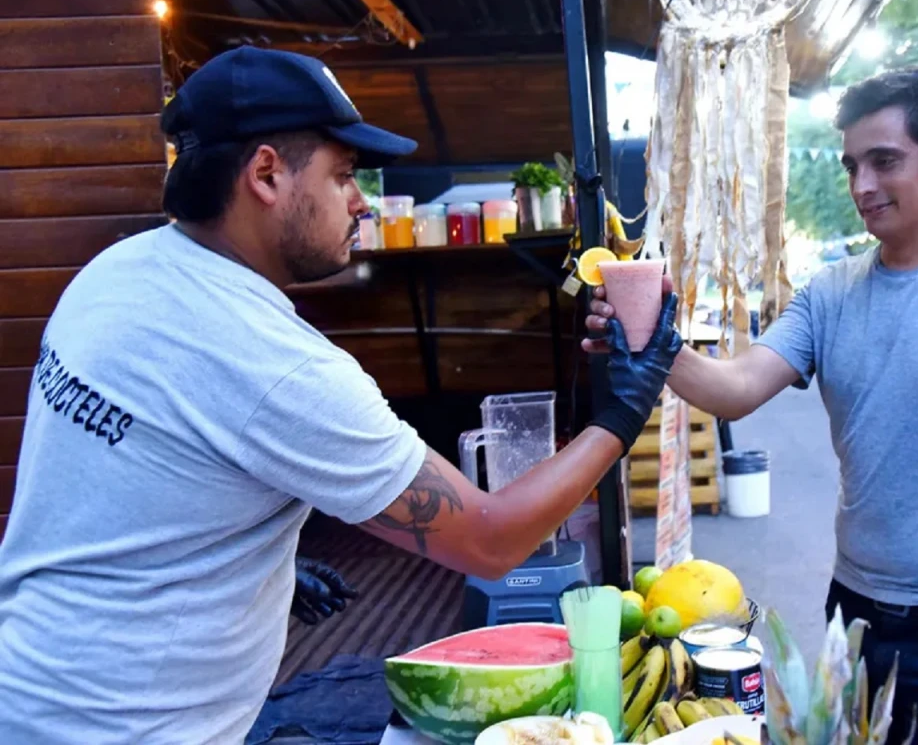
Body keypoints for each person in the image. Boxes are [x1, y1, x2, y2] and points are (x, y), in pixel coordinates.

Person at [0, 46, 683, 743]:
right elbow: (489, 538)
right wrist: (622, 412)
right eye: (344, 175)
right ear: (266, 174)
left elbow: (124, 477)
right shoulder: (273, 362)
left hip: (27, 695)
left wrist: (256, 559)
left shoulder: (113, 274)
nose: (361, 201)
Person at [586, 66, 918, 745]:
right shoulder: (830, 293)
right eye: (852, 165)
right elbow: (735, 389)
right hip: (851, 615)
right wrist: (651, 340)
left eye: (885, 162)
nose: (861, 186)